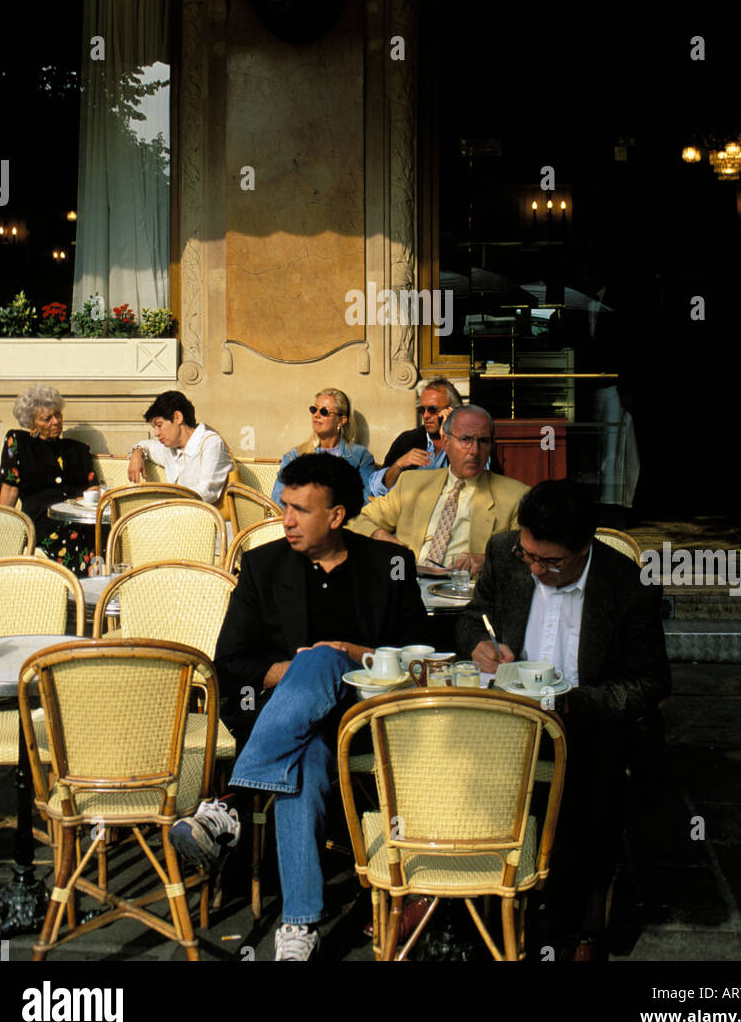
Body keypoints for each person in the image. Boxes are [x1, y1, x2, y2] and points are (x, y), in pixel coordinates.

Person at [172, 453, 429, 961]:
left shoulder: (387, 566)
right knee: (304, 764)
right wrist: (304, 670)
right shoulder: (265, 565)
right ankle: (300, 927)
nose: (285, 520)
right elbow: (233, 664)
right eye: (283, 506)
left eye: (300, 510)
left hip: (364, 718)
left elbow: (419, 661)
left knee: (325, 659)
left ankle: (234, 805)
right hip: (284, 721)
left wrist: (347, 655)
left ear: (336, 515)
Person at [455, 478, 671, 959]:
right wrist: (478, 644)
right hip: (508, 714)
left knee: (588, 784)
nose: (534, 568)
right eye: (528, 556)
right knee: (447, 758)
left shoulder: (627, 587)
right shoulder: (505, 552)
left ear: (584, 546)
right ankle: (470, 904)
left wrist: (573, 703)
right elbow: (473, 616)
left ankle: (580, 924)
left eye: (550, 562)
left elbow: (650, 685)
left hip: (584, 718)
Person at [349, 404, 527, 576]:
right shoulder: (411, 484)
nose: (474, 451)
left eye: (483, 441)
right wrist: (378, 535)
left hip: (465, 595)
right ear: (446, 442)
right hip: (408, 585)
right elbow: (357, 520)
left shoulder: (515, 496)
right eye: (465, 440)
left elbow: (528, 555)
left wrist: (488, 560)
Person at [0, 384, 99, 574]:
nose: (56, 422)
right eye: (47, 419)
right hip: (44, 521)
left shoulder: (77, 449)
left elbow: (93, 490)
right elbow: (9, 488)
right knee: (72, 540)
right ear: (31, 423)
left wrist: (84, 501)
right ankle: (89, 584)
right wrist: (2, 529)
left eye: (58, 415)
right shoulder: (18, 443)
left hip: (81, 518)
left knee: (101, 535)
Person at [271, 388, 376, 505]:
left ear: (341, 420)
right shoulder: (295, 456)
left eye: (324, 412)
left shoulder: (360, 457)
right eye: (314, 409)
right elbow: (278, 497)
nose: (316, 415)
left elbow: (365, 501)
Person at [127, 390, 233, 505]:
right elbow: (146, 445)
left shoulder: (211, 443)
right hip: (179, 516)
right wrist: (137, 454)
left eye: (159, 425)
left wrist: (165, 502)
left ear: (177, 417)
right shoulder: (169, 449)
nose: (156, 433)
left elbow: (207, 491)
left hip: (211, 519)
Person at [368, 379, 463, 498]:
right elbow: (377, 489)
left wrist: (450, 437)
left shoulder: (468, 441)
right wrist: (399, 464)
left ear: (451, 410)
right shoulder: (407, 440)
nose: (426, 416)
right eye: (422, 410)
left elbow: (473, 484)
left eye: (432, 409)